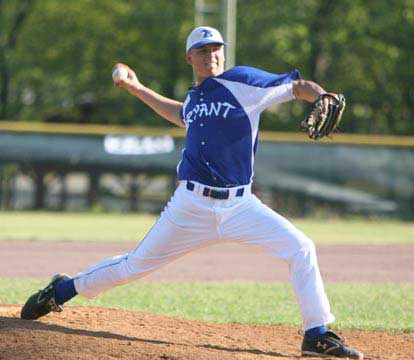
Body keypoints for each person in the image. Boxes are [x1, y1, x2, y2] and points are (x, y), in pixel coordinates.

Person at [21, 26, 363, 359]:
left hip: (241, 206)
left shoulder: (243, 82)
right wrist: (136, 87)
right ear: (190, 58)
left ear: (223, 53)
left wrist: (321, 96)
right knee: (133, 266)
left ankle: (316, 335)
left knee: (301, 248)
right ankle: (62, 290)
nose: (211, 55)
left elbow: (298, 86)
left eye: (216, 48)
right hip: (190, 206)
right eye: (202, 50)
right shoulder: (195, 98)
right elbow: (179, 113)